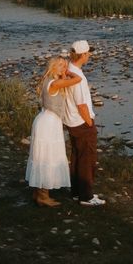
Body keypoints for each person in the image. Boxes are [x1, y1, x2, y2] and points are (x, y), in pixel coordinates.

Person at [25, 56, 81, 207]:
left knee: (41, 156)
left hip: (44, 119)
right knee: (47, 158)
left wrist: (63, 72)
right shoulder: (56, 82)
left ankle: (38, 193)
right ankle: (44, 196)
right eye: (61, 66)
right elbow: (78, 79)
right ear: (54, 67)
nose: (64, 68)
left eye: (65, 65)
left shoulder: (48, 80)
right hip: (48, 123)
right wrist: (69, 72)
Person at [63, 40, 106, 206]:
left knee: (76, 157)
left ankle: (76, 192)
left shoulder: (68, 69)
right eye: (88, 53)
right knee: (87, 159)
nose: (90, 55)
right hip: (81, 123)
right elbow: (81, 105)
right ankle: (86, 196)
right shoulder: (78, 76)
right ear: (83, 55)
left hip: (71, 121)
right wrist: (90, 123)